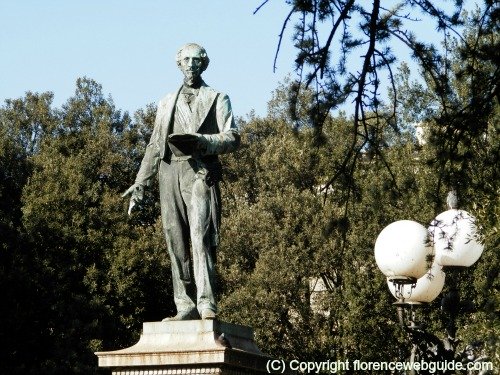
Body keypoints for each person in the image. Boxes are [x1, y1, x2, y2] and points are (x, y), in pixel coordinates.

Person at [122, 43, 240, 320]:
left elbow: (233, 137)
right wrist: (140, 184)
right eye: (186, 60)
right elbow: (154, 145)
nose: (191, 64)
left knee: (201, 238)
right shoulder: (165, 101)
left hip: (199, 171)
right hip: (168, 173)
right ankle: (184, 306)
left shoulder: (217, 97)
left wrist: (203, 142)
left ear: (204, 64)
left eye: (196, 60)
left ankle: (206, 303)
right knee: (175, 242)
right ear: (178, 63)